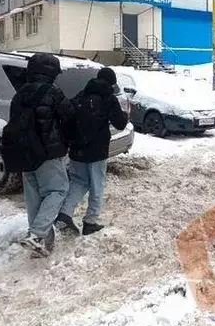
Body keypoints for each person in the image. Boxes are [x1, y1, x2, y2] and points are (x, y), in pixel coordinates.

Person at [9, 53, 76, 257]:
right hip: (47, 152)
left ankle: (41, 246)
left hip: (23, 153)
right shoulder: (52, 92)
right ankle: (37, 235)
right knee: (58, 190)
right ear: (50, 72)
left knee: (34, 197)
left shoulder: (20, 94)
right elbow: (69, 117)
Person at [56, 67, 128, 236]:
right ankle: (90, 221)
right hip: (97, 150)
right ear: (112, 82)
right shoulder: (108, 99)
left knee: (79, 181)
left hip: (77, 148)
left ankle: (65, 213)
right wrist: (124, 115)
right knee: (97, 184)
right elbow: (120, 124)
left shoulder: (81, 95)